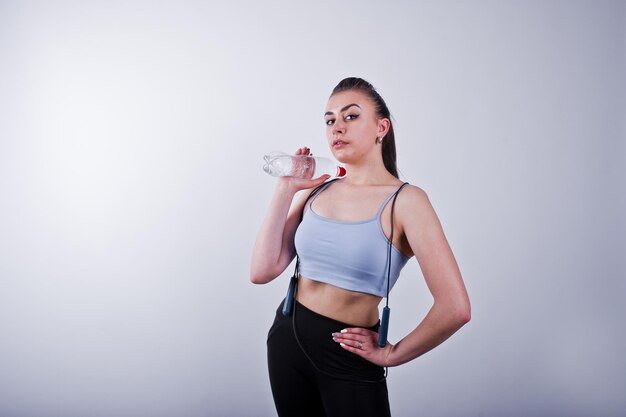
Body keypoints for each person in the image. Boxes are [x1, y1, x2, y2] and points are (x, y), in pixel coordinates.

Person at [250, 77, 471, 417]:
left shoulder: (406, 202)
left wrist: (392, 354)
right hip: (286, 341)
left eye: (351, 116)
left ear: (382, 127)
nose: (337, 127)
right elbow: (262, 271)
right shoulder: (317, 191)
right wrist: (285, 189)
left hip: (349, 356)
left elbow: (456, 308)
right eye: (330, 120)